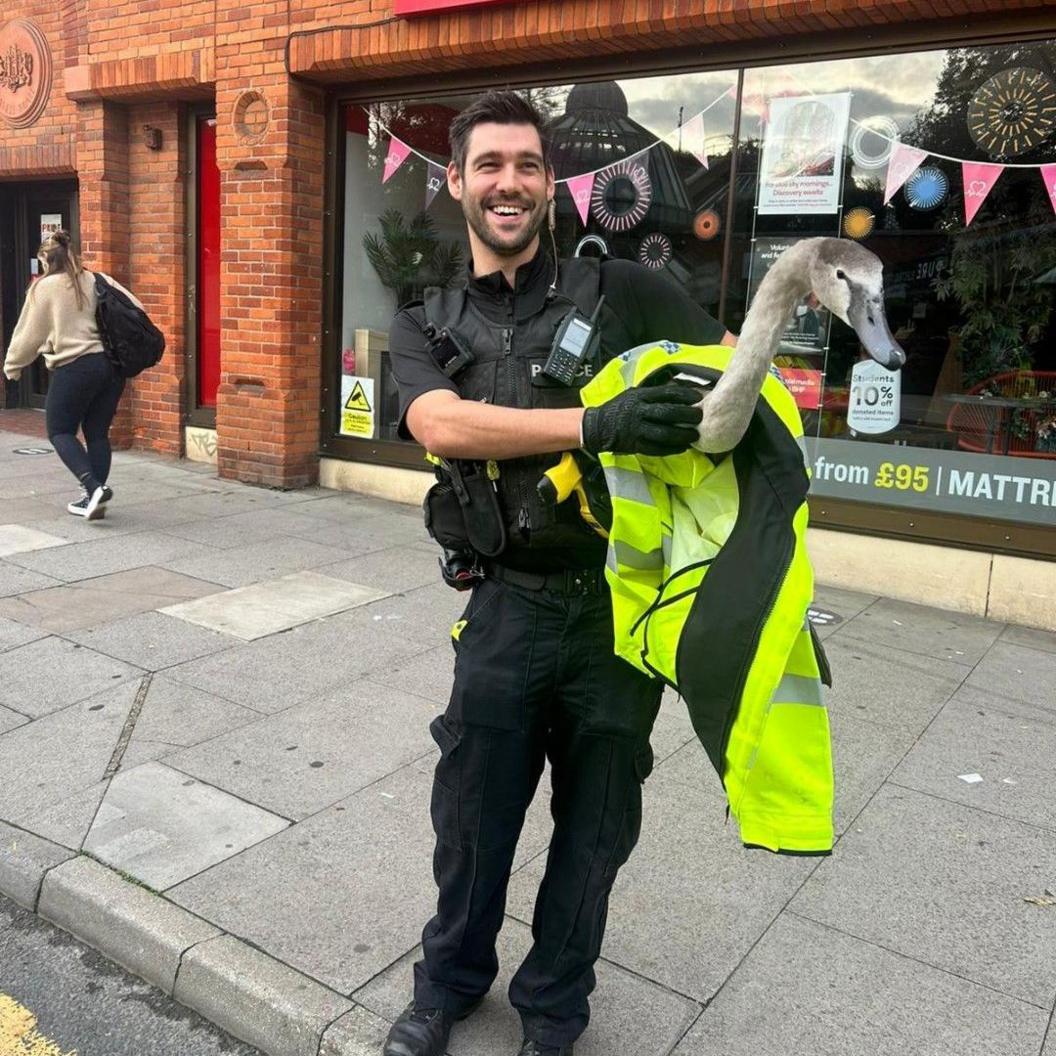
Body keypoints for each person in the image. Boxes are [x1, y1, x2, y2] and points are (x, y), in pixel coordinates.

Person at [385, 91, 735, 1056]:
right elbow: (441, 424)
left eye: (528, 165)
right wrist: (593, 423)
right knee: (472, 820)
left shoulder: (624, 291)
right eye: (489, 164)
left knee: (594, 834)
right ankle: (447, 984)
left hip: (618, 614)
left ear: (551, 183)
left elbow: (737, 381)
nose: (510, 183)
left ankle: (554, 1007)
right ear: (455, 182)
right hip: (504, 606)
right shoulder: (426, 323)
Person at [2, 231, 137, 520]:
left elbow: (28, 334)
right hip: (111, 367)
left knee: (60, 430)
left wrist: (12, 366)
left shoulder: (44, 287)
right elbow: (136, 309)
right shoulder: (98, 279)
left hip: (76, 366)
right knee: (97, 432)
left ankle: (93, 487)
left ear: (44, 259)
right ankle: (93, 498)